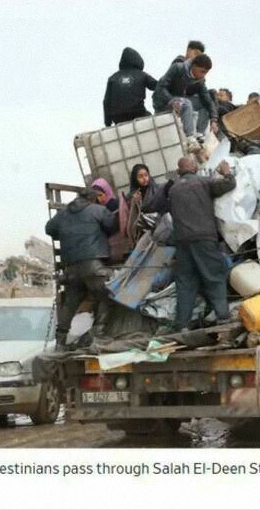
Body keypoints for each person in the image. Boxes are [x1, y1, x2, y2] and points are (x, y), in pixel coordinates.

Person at [166, 157, 236, 330]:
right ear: (195, 168)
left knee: (185, 282)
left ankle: (182, 324)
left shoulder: (173, 190)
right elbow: (229, 185)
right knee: (214, 276)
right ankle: (223, 316)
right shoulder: (203, 183)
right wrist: (227, 173)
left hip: (182, 242)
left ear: (178, 171)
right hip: (204, 238)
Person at [45, 187, 119, 349]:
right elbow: (113, 226)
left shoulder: (63, 213)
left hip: (70, 267)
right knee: (108, 294)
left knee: (71, 302)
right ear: (93, 199)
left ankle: (60, 341)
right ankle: (98, 334)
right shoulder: (98, 210)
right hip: (93, 264)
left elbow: (49, 229)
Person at [152, 53, 219, 138]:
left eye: (206, 73)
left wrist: (214, 120)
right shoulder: (178, 68)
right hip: (164, 102)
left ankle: (199, 135)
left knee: (206, 101)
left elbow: (208, 101)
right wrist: (172, 101)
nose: (203, 75)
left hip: (181, 102)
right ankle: (190, 138)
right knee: (186, 102)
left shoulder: (200, 81)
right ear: (194, 66)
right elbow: (160, 88)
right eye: (202, 71)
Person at [102, 47, 157, 126]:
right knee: (151, 121)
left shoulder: (112, 78)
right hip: (138, 113)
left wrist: (107, 123)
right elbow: (158, 86)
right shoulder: (142, 75)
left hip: (118, 117)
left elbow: (106, 102)